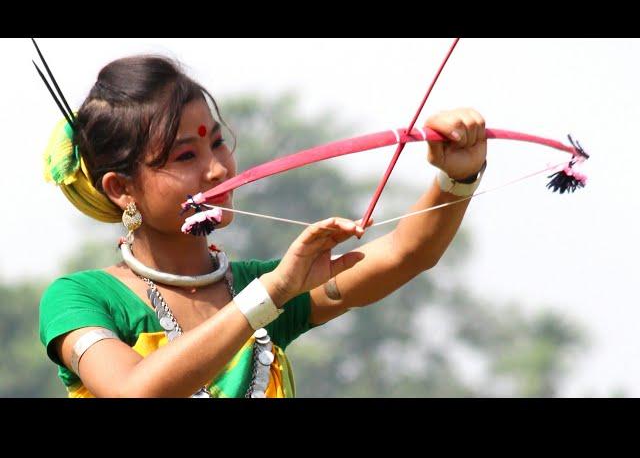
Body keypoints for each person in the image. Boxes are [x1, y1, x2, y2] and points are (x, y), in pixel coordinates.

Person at [38, 52, 488, 398]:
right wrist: (272, 293)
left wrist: (458, 178)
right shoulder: (79, 298)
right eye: (186, 157)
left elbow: (405, 253)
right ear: (121, 189)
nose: (217, 170)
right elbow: (133, 390)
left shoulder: (259, 286)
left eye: (218, 143)